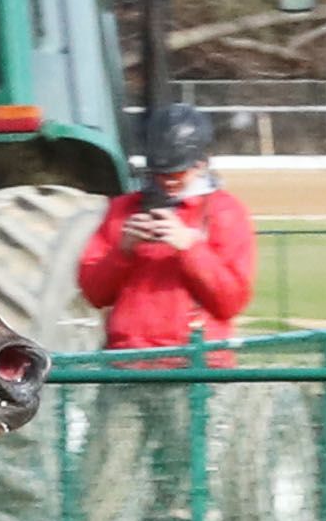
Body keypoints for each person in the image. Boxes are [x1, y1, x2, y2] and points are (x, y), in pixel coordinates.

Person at [77, 104, 256, 348]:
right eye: (160, 173)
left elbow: (231, 302)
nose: (167, 181)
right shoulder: (122, 209)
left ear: (201, 164)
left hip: (197, 362)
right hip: (127, 359)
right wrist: (123, 251)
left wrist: (190, 248)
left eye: (177, 173)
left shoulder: (225, 212)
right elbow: (94, 295)